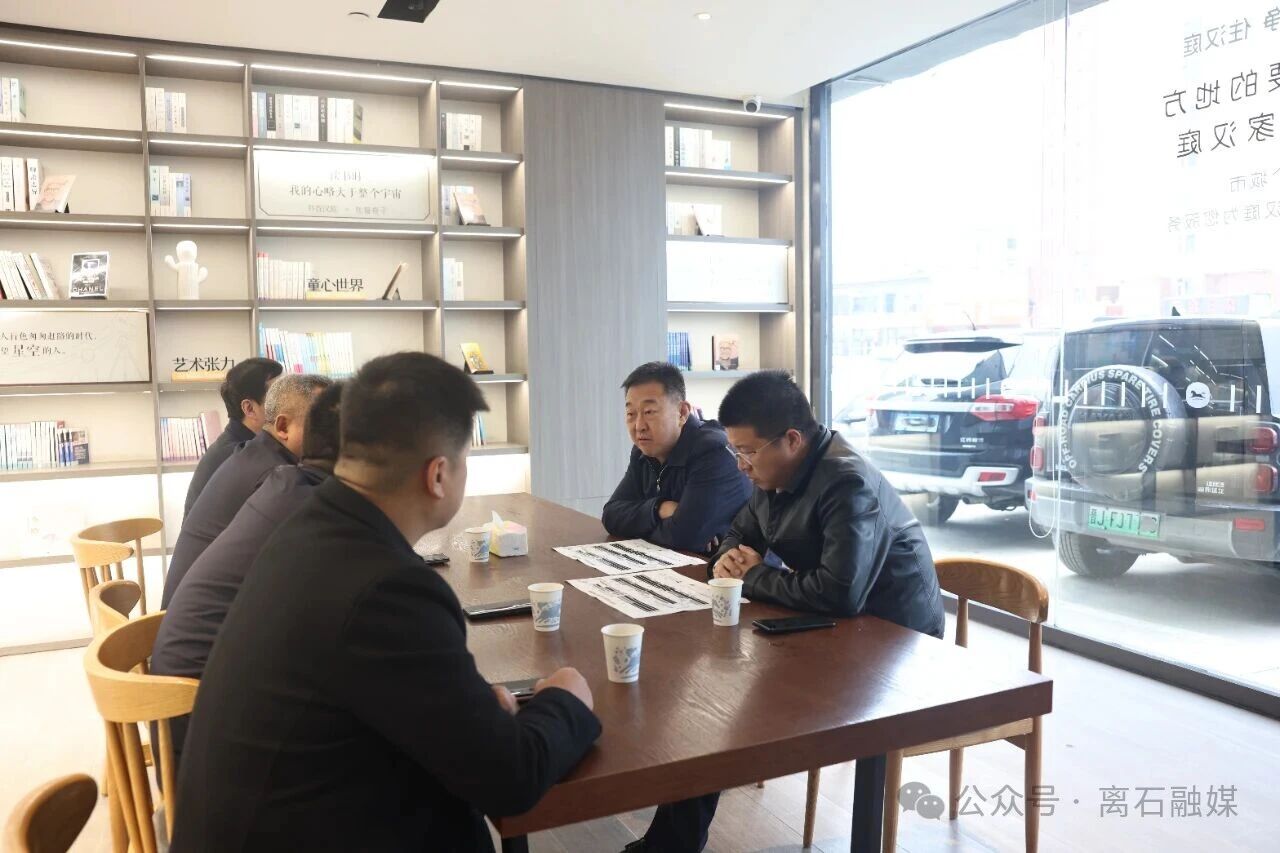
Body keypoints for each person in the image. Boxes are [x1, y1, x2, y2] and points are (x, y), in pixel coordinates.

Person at [171, 353, 601, 852]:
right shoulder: (388, 588)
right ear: (439, 475)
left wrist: (468, 710)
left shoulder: (307, 526)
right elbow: (511, 779)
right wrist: (566, 699)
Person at [625, 371, 944, 853]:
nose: (740, 466)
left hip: (893, 644)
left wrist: (751, 575)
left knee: (721, 707)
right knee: (710, 700)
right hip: (831, 626)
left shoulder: (847, 482)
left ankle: (669, 845)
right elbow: (739, 533)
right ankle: (669, 843)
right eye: (735, 451)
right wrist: (728, 560)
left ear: (792, 440)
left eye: (747, 452)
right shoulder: (772, 472)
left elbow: (840, 592)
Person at [151, 381, 343, 776]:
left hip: (184, 665)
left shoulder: (263, 461)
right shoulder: (282, 480)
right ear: (283, 426)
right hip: (199, 717)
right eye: (322, 422)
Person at [161, 373, 331, 607]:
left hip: (186, 612)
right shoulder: (277, 477)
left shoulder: (255, 453)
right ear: (283, 426)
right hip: (205, 618)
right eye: (325, 425)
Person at [602, 362, 750, 553]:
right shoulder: (643, 451)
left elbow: (684, 538)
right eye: (631, 413)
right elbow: (611, 515)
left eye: (649, 412)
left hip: (732, 567)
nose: (639, 426)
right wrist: (659, 508)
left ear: (682, 413)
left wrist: (639, 525)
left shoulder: (713, 451)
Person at [183, 357, 283, 516]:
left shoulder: (243, 444)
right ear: (249, 409)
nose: (289, 404)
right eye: (279, 397)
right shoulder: (238, 454)